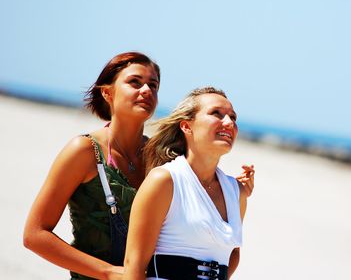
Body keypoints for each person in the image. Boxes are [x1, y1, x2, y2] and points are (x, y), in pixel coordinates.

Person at [23, 52, 255, 280]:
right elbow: (35, 235)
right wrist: (108, 272)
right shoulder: (84, 151)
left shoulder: (162, 156)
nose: (146, 90)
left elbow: (198, 189)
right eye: (135, 82)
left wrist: (232, 192)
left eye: (153, 85)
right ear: (107, 92)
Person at [122, 87, 252, 280]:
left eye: (233, 117)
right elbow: (134, 265)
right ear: (186, 126)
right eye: (216, 113)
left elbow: (232, 255)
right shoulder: (165, 180)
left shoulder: (237, 193)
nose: (229, 123)